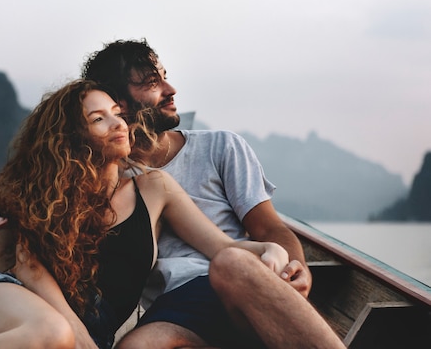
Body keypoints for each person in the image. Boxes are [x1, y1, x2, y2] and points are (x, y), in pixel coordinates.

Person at [0, 79, 291, 349]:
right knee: (54, 333)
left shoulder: (155, 188)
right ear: (72, 138)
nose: (117, 123)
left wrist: (268, 249)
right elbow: (29, 265)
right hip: (10, 304)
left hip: (86, 337)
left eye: (117, 112)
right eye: (98, 119)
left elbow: (221, 247)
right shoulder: (53, 194)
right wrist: (76, 331)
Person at [82, 39, 345, 348]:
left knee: (230, 263)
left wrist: (298, 268)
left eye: (165, 76)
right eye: (153, 83)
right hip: (174, 307)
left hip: (240, 283)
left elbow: (270, 228)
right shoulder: (111, 177)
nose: (171, 89)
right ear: (117, 103)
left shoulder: (221, 147)